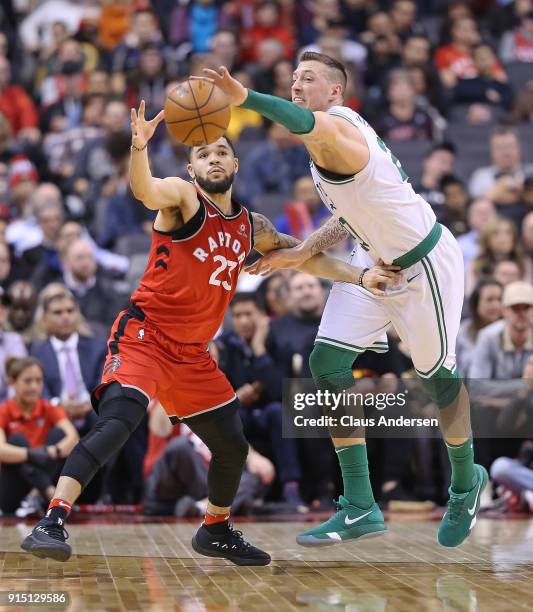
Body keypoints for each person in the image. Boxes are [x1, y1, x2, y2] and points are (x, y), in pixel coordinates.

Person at [21, 100, 398, 566]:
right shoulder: (182, 198)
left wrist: (359, 277)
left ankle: (215, 528)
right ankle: (52, 519)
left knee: (232, 444)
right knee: (120, 420)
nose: (213, 158)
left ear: (235, 164)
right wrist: (139, 146)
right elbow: (145, 189)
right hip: (146, 334)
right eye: (203, 154)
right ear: (191, 167)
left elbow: (303, 255)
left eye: (221, 152)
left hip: (192, 354)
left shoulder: (249, 225)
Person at [208, 51, 487, 548]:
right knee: (327, 360)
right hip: (377, 263)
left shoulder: (335, 128)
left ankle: (466, 483)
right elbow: (349, 218)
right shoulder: (331, 145)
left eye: (308, 79)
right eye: (292, 77)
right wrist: (301, 253)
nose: (296, 85)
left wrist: (247, 97)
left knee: (438, 380)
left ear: (336, 92)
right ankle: (360, 504)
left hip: (425, 265)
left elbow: (296, 119)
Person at [0, 357, 78, 516]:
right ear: (12, 382)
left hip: (44, 479)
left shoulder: (48, 408)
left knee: (59, 434)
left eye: (38, 380)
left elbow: (73, 438)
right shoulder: (4, 410)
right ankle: (50, 492)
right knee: (17, 441)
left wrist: (53, 451)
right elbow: (1, 450)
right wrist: (31, 454)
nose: (34, 386)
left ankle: (36, 495)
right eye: (27, 381)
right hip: (13, 491)